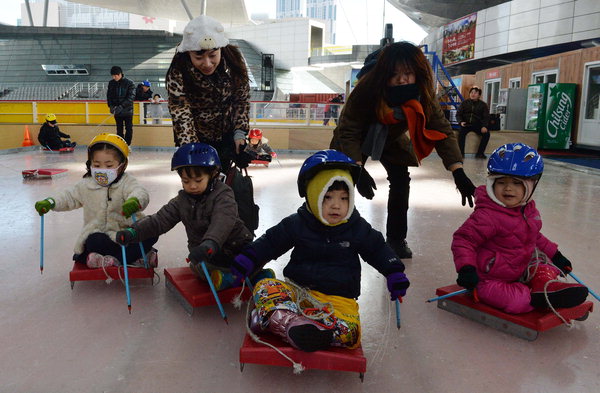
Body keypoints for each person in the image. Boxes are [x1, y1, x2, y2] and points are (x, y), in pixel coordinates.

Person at [229, 150, 410, 352]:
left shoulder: (356, 227)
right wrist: (250, 257)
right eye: (327, 197)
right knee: (265, 286)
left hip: (338, 302)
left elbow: (378, 249)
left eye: (344, 198)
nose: (336, 205)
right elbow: (271, 241)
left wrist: (394, 271)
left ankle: (295, 327)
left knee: (352, 333)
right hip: (298, 293)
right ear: (313, 195)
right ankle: (292, 324)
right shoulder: (298, 223)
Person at [330, 41, 476, 259]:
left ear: (417, 73)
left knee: (400, 181)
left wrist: (458, 171)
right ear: (384, 74)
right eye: (394, 74)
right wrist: (356, 169)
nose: (402, 79)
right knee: (339, 180)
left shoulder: (423, 94)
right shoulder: (367, 88)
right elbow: (348, 130)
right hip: (355, 137)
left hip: (391, 139)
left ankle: (396, 239)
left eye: (408, 73)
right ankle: (333, 233)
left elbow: (442, 130)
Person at [452, 143, 588, 314]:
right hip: (488, 279)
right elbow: (463, 240)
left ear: (531, 185)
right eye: (501, 182)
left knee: (541, 263)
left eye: (517, 183)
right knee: (518, 301)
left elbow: (535, 236)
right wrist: (467, 269)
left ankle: (544, 286)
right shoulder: (488, 215)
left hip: (518, 268)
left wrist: (556, 255)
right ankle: (536, 298)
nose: (508, 188)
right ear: (491, 182)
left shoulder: (528, 209)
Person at [114, 143, 269, 289]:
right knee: (198, 267)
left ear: (213, 174)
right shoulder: (182, 200)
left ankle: (254, 276)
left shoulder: (223, 195)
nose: (192, 186)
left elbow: (223, 221)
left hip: (235, 247)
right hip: (207, 254)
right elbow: (159, 220)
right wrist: (133, 232)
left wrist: (210, 243)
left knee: (253, 257)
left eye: (198, 180)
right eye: (186, 181)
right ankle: (231, 277)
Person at [34, 133, 158, 268]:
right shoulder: (86, 185)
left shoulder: (127, 182)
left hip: (127, 233)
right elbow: (69, 196)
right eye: (97, 165)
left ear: (122, 165)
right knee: (93, 241)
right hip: (103, 236)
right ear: (90, 164)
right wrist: (51, 202)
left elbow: (140, 192)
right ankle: (134, 257)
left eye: (109, 165)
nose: (102, 170)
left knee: (151, 230)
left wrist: (134, 201)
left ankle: (108, 259)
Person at [166, 15, 252, 170]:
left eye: (213, 55)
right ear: (188, 52)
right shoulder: (178, 70)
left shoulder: (234, 63)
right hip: (195, 136)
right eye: (198, 56)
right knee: (198, 181)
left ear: (221, 49)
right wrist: (192, 148)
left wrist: (239, 134)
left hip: (226, 135)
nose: (207, 63)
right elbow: (181, 112)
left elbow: (241, 101)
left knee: (224, 182)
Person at [456, 86, 491, 159]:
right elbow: (458, 114)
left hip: (477, 125)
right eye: (471, 92)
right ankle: (461, 154)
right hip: (466, 124)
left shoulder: (483, 105)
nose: (473, 94)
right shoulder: (464, 103)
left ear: (479, 95)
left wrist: (484, 126)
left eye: (475, 93)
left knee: (486, 134)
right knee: (461, 134)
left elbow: (486, 117)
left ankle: (480, 153)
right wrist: (461, 122)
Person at [107, 66, 135, 145]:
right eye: (112, 76)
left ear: (120, 74)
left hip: (127, 111)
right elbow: (109, 96)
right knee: (119, 129)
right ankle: (120, 144)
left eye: (115, 76)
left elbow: (131, 97)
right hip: (117, 111)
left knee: (128, 128)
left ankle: (127, 145)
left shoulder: (130, 83)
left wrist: (122, 106)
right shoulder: (111, 83)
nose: (114, 77)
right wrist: (111, 106)